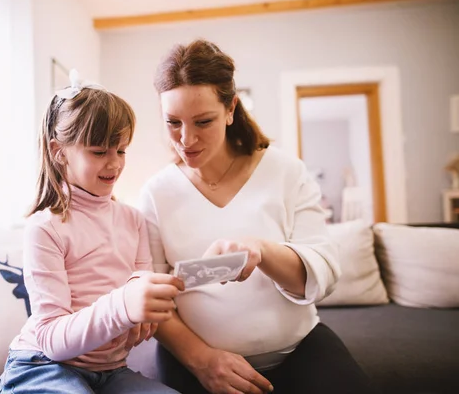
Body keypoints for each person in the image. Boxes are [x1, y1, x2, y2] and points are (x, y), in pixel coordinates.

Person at [138, 40, 379, 394]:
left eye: (203, 121)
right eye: (173, 123)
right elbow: (153, 301)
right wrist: (203, 360)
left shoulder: (286, 171)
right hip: (195, 360)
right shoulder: (156, 194)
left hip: (299, 349)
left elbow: (323, 277)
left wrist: (262, 250)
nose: (186, 139)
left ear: (231, 108)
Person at [0, 70, 184, 394]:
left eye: (121, 150)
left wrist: (148, 310)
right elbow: (52, 340)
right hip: (42, 366)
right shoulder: (46, 228)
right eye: (99, 152)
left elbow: (139, 292)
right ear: (59, 152)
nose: (114, 164)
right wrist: (124, 306)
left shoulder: (133, 220)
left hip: (110, 371)